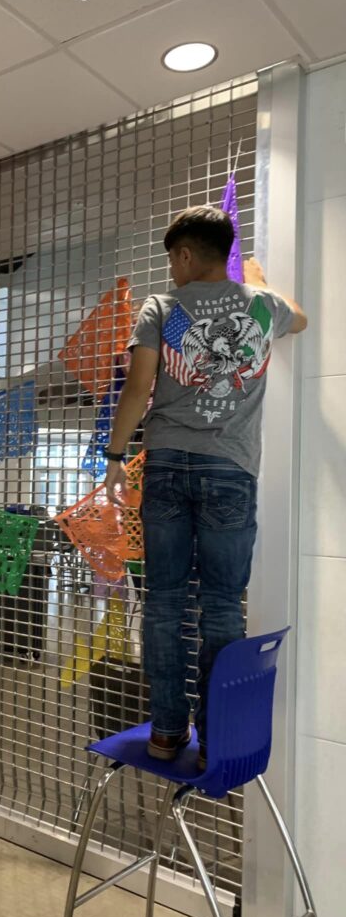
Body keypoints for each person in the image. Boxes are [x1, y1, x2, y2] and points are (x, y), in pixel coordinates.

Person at [103, 206, 307, 768]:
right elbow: (302, 320)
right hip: (231, 469)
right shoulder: (261, 307)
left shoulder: (163, 309)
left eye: (173, 258)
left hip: (167, 464)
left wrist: (116, 458)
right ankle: (215, 737)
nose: (171, 269)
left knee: (165, 600)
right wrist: (259, 280)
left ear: (187, 255)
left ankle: (167, 731)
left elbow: (138, 387)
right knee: (221, 605)